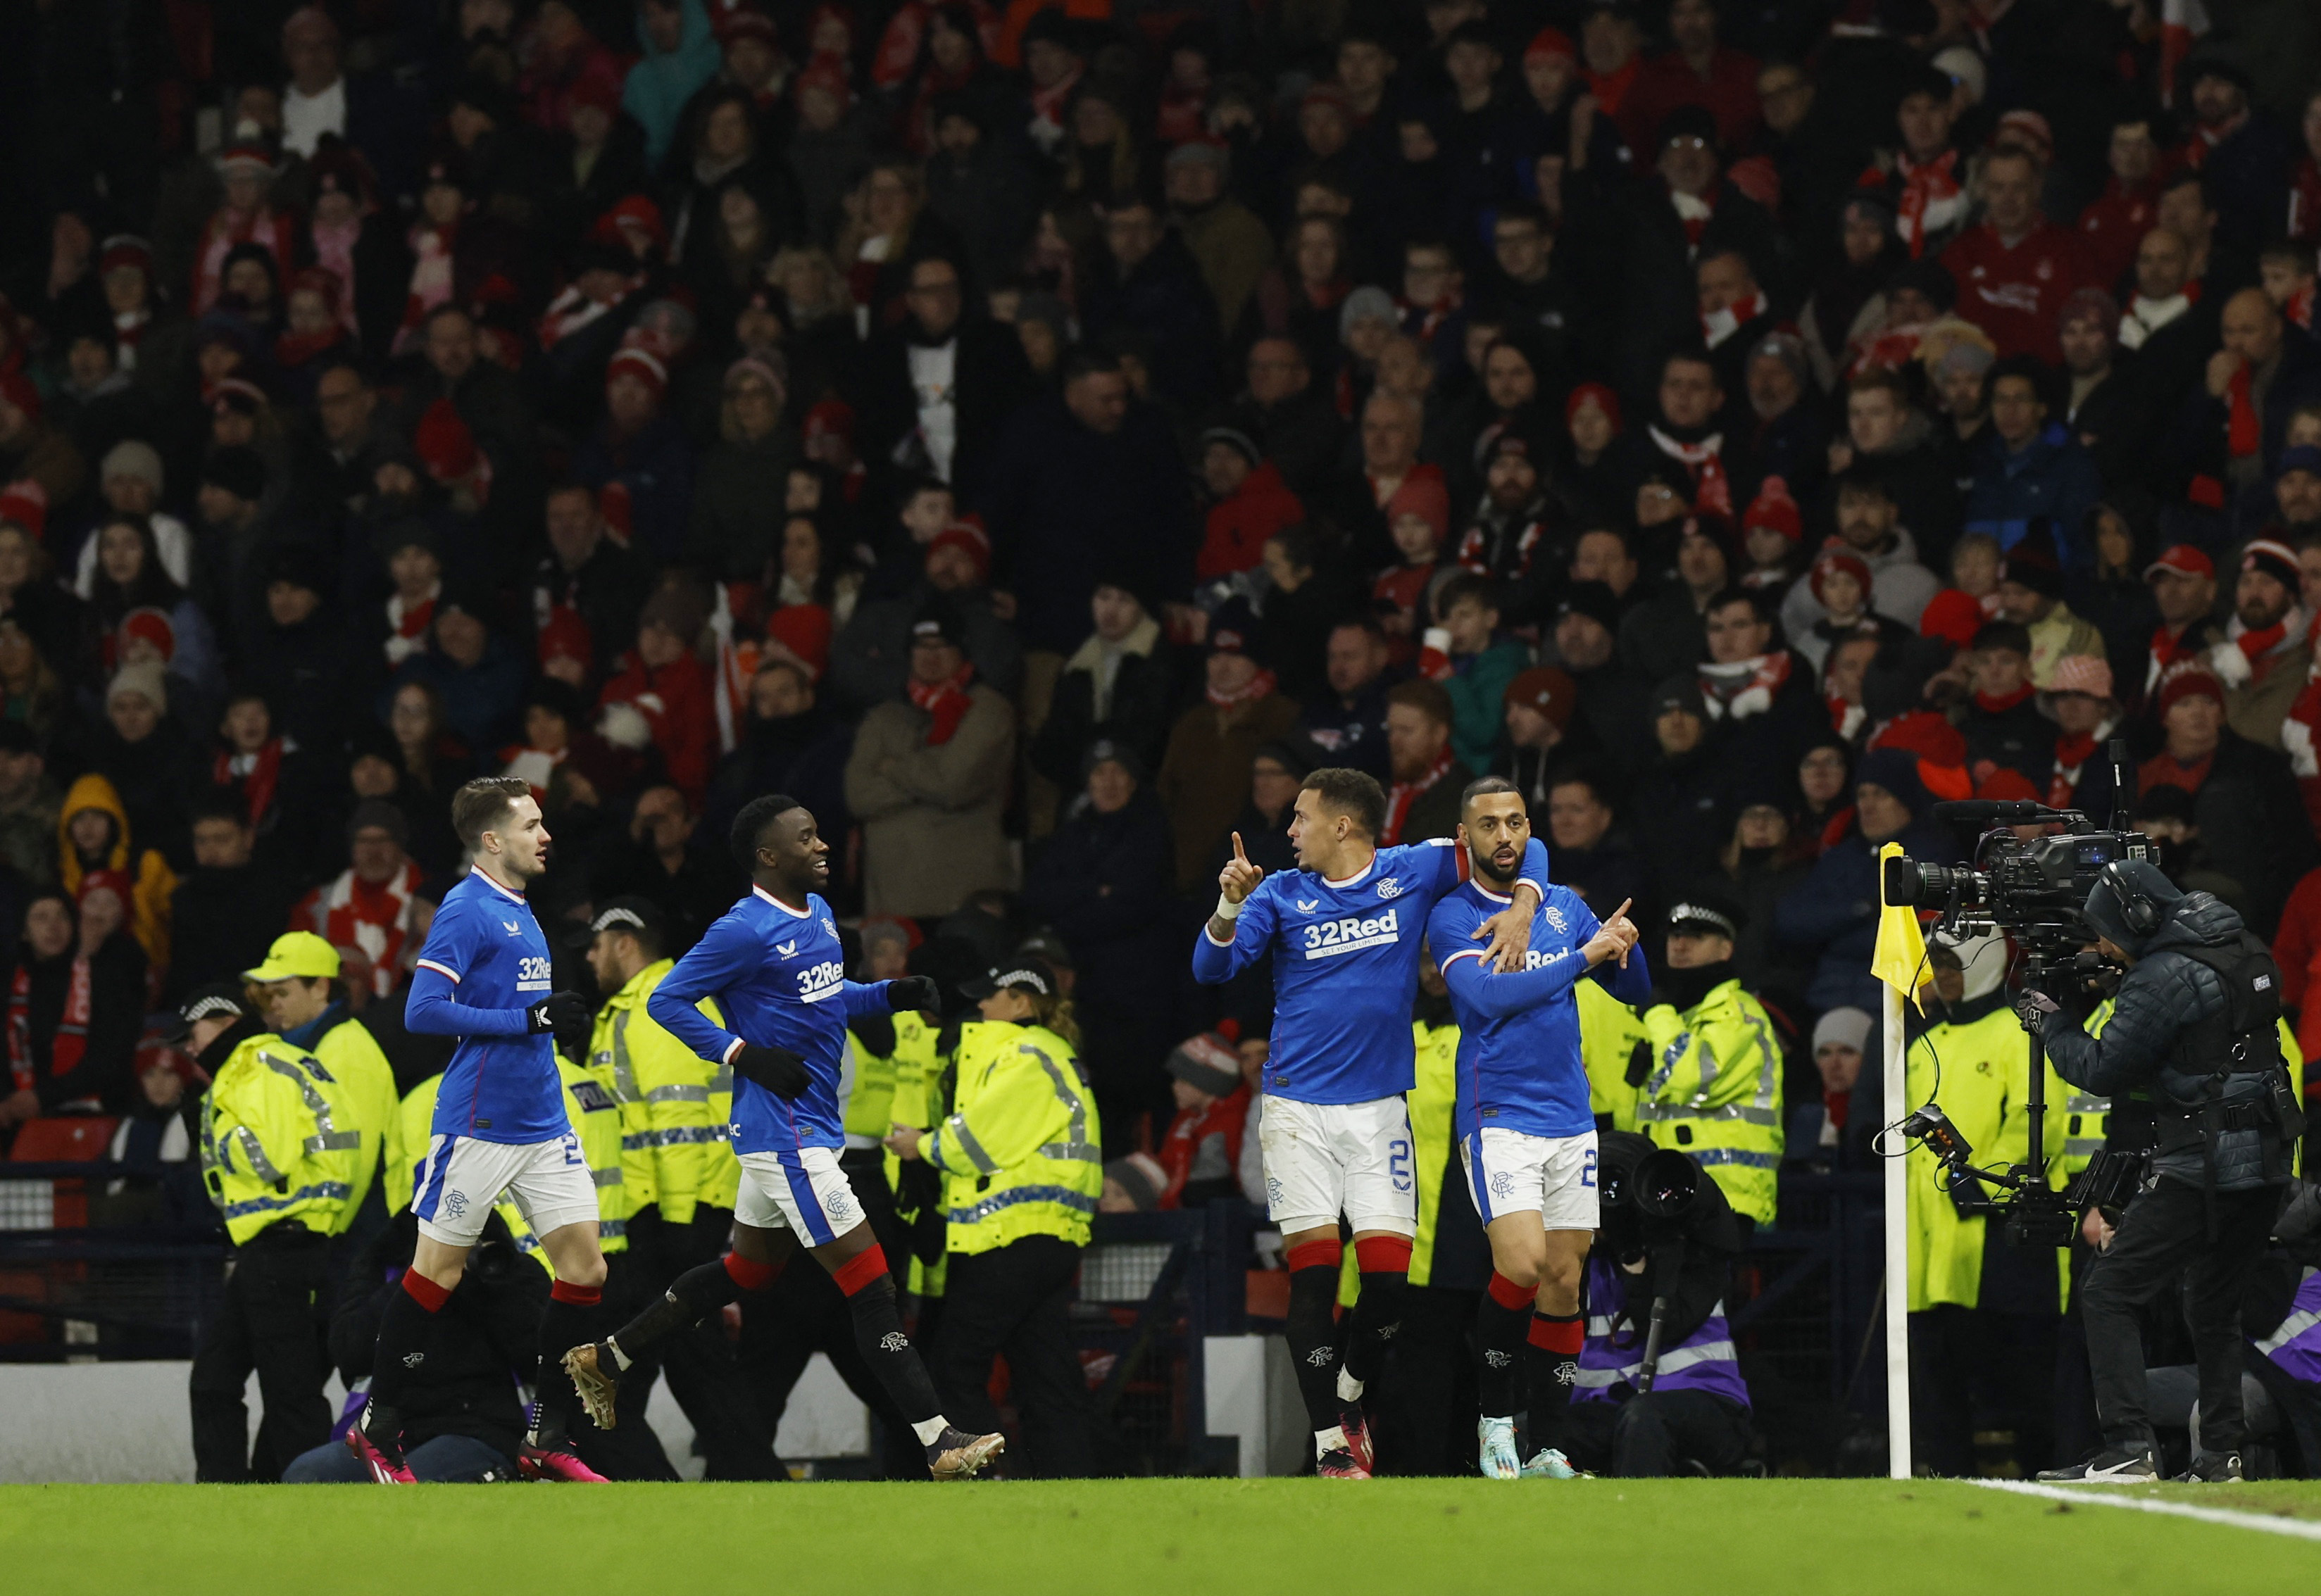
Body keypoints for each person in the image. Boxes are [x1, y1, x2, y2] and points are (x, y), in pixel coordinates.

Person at [563, 794, 1006, 1480]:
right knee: (870, 1282)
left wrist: (890, 992)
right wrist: (742, 1053)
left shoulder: (821, 916)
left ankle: (608, 1356)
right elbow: (666, 999)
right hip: (784, 1132)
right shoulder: (741, 929)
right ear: (768, 856)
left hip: (807, 1126)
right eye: (806, 836)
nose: (823, 844)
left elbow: (826, 999)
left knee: (749, 1270)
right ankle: (938, 1439)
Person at [1191, 765, 1544, 1476]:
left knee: (1386, 1284)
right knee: (1316, 1280)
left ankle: (1348, 1395)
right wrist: (1229, 904)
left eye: (1300, 817)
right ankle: (1329, 1442)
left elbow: (1512, 851)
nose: (1289, 830)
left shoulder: (1410, 870)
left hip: (1379, 1109)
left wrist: (1524, 905)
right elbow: (1209, 968)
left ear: (1342, 825)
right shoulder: (1280, 893)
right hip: (1297, 1112)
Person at [346, 777, 608, 1485]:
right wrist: (528, 1020)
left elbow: (529, 1012)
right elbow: (423, 1009)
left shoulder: (522, 909)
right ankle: (378, 1425)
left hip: (542, 1119)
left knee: (586, 1269)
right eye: (530, 824)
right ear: (491, 839)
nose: (544, 834)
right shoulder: (466, 908)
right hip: (479, 1122)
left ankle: (544, 1435)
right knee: (438, 1272)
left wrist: (552, 1021)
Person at [2032, 860, 2303, 1484]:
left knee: (2108, 1292)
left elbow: (2102, 1068)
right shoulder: (2239, 944)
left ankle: (2128, 1448)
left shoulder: (2162, 974)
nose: (2101, 946)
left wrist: (2051, 1022)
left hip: (2206, 1163)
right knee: (2211, 1303)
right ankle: (2222, 1455)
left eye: (2105, 932)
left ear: (2136, 920)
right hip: (2266, 1163)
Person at [1428, 777, 1649, 1478]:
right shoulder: (1452, 914)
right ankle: (1495, 1419)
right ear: (1465, 838)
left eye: (1516, 821)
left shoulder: (1560, 905)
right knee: (1519, 1264)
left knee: (1562, 1279)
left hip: (1569, 1116)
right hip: (1499, 1115)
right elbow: (1488, 995)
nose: (1505, 835)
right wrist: (1584, 956)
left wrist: (1623, 943)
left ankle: (1548, 1447)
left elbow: (1634, 990)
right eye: (1489, 823)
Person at [887, 955, 1101, 1476]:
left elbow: (976, 1143)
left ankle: (986, 1476)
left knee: (955, 1362)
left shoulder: (1025, 1054)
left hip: (1015, 1236)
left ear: (1022, 1002)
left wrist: (921, 1145)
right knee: (1045, 1370)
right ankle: (1075, 1478)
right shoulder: (1044, 1051)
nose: (979, 1005)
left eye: (990, 995)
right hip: (1040, 1234)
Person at [1903, 928, 2067, 1478]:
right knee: (1941, 1387)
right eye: (1937, 965)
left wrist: (1984, 1182)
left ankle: (2044, 1482)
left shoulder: (2020, 1034)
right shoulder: (1927, 1045)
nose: (1942, 977)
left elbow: (2038, 1121)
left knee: (2025, 1389)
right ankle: (1951, 1491)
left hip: (2003, 1243)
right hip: (1934, 1254)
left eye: (1953, 964)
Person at [184, 982, 360, 1482]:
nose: (189, 1050)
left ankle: (307, 1491)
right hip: (295, 1242)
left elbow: (270, 1157)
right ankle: (232, 1492)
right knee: (217, 1379)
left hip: (282, 1242)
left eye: (191, 1036)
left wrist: (216, 1131)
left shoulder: (249, 1068)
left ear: (218, 1025)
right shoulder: (282, 1060)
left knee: (288, 1389)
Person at [1632, 894, 1784, 1232]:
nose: (1680, 946)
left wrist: (1658, 1014)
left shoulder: (1740, 1015)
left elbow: (1691, 1080)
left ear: (1726, 949)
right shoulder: (1682, 1016)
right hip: (1670, 1193)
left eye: (1696, 937)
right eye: (1674, 936)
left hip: (1728, 1199)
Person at [241, 931, 401, 1245]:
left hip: (356, 1228)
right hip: (334, 1223)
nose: (274, 1004)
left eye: (283, 993)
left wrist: (328, 1235)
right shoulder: (311, 1047)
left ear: (320, 988)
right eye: (269, 995)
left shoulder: (345, 1050)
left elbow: (360, 1154)